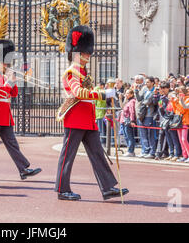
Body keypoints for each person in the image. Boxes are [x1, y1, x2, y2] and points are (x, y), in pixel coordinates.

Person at [55, 25, 128, 201]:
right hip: (75, 117)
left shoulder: (82, 71)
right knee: (68, 155)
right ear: (77, 52)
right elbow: (79, 93)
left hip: (87, 117)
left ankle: (108, 187)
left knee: (97, 153)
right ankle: (62, 189)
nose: (88, 55)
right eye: (86, 53)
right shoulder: (72, 71)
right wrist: (103, 93)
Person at [0, 39, 42, 181]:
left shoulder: (2, 75)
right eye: (5, 63)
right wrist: (9, 82)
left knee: (12, 143)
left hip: (4, 114)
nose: (7, 65)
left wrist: (13, 81)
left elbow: (13, 94)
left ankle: (23, 169)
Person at [157, 82, 182, 161]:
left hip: (173, 122)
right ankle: (171, 153)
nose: (162, 90)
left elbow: (174, 112)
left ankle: (177, 153)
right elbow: (163, 113)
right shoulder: (162, 99)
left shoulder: (173, 101)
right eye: (161, 88)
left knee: (174, 138)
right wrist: (161, 107)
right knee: (168, 139)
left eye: (164, 88)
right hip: (166, 122)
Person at [134, 76, 158, 158]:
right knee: (143, 134)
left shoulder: (154, 91)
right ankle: (145, 150)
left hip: (149, 115)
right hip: (143, 114)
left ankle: (152, 152)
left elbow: (152, 102)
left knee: (150, 134)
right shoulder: (145, 90)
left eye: (148, 82)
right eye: (146, 82)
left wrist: (151, 97)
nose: (146, 83)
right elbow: (139, 99)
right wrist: (136, 91)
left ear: (152, 83)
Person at [171, 85, 189, 163]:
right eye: (178, 92)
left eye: (181, 92)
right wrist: (174, 102)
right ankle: (184, 156)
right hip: (179, 121)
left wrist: (178, 102)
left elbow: (183, 110)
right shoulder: (179, 99)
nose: (179, 94)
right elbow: (176, 111)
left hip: (185, 121)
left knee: (184, 139)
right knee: (180, 140)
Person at [119, 88, 136, 156]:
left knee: (129, 136)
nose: (126, 94)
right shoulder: (127, 101)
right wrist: (121, 99)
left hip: (127, 121)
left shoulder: (132, 101)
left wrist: (132, 120)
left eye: (128, 93)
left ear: (132, 94)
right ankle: (129, 150)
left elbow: (132, 111)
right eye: (126, 93)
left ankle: (131, 151)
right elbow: (122, 107)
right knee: (126, 136)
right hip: (123, 120)